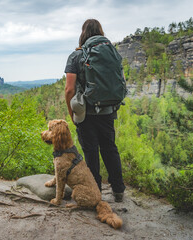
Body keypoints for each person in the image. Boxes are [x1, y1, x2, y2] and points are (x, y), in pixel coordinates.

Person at [64, 19, 125, 202]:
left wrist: (71, 112)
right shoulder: (112, 53)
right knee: (110, 149)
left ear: (83, 33)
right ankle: (119, 190)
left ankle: (95, 192)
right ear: (100, 31)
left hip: (86, 113)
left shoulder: (76, 56)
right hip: (107, 111)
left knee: (91, 152)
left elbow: (69, 89)